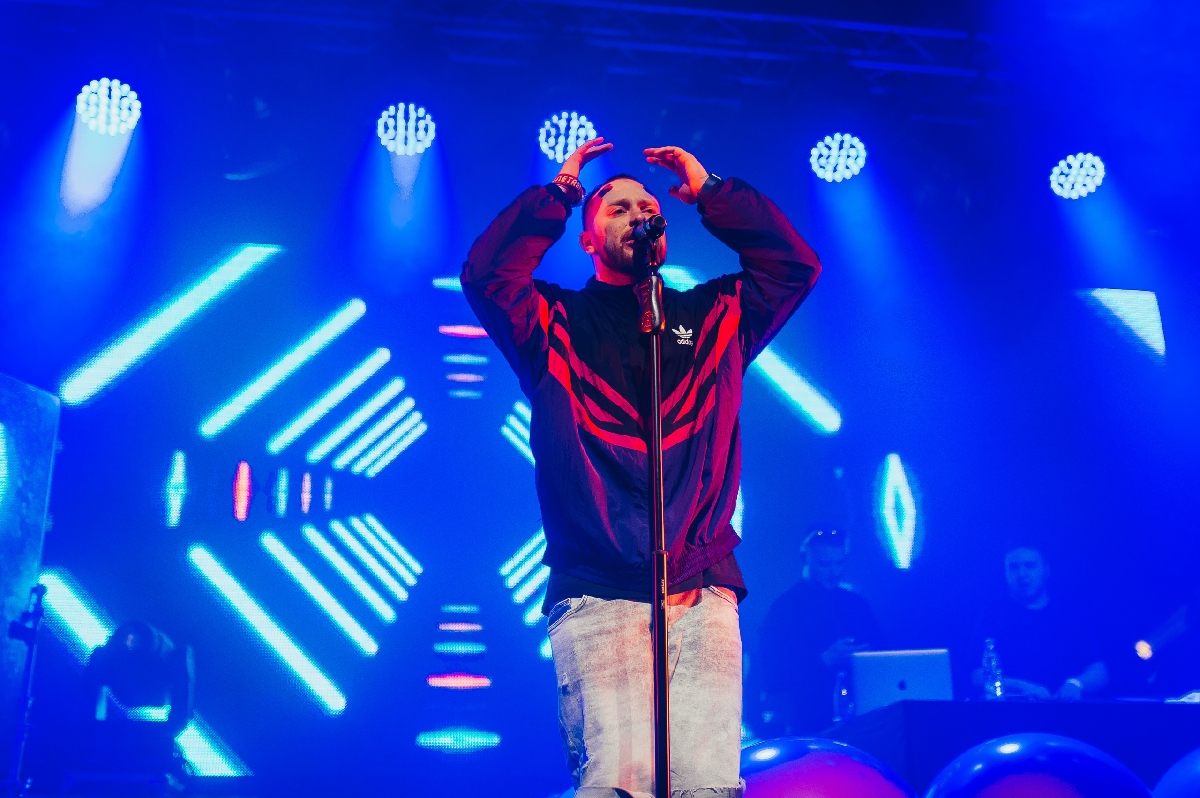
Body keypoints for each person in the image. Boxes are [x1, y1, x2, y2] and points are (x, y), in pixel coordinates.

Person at [461, 138, 821, 797]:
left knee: (706, 786)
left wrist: (712, 191)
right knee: (617, 784)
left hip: (700, 587)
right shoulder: (552, 323)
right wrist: (559, 195)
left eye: (648, 207)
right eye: (618, 207)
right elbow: (487, 275)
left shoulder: (715, 317)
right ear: (588, 239)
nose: (638, 214)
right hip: (598, 590)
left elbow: (794, 266)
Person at [756, 528, 881, 735]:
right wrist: (824, 659)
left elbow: (883, 654)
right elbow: (771, 676)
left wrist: (866, 658)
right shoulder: (785, 608)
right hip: (807, 726)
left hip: (859, 722)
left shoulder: (856, 604)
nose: (834, 572)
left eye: (839, 563)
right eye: (825, 564)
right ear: (805, 560)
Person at [973, 543, 1108, 700]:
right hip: (1013, 711)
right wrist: (1021, 687)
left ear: (1046, 571)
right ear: (1005, 573)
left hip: (1065, 710)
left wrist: (1076, 684)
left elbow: (1100, 672)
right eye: (1013, 567)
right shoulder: (992, 615)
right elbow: (976, 676)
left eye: (1030, 566)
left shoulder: (1070, 614)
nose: (1022, 574)